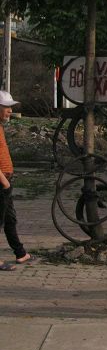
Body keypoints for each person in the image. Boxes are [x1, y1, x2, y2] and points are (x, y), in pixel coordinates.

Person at [0, 91, 31, 271]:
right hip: (2, 182)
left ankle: (20, 253)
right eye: (6, 107)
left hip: (5, 181)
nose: (10, 111)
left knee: (10, 219)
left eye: (10, 107)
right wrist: (5, 183)